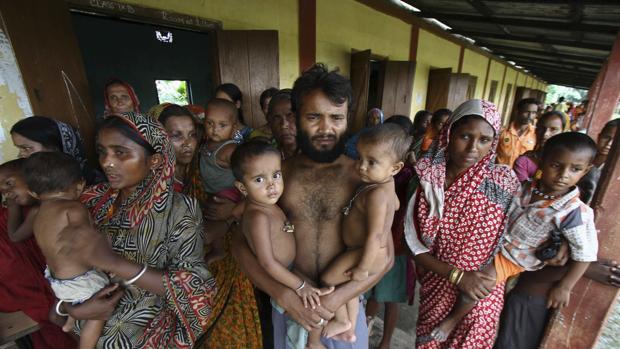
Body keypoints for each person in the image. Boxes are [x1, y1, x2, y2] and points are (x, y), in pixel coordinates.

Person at [232, 64, 394, 349]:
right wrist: (281, 294)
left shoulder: (363, 179)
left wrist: (337, 299)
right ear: (296, 118)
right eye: (313, 117)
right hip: (291, 307)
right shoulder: (277, 178)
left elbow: (387, 254)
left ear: (348, 119)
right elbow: (239, 243)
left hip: (343, 313)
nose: (326, 128)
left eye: (336, 117)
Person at [57, 112, 216, 348]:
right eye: (102, 151)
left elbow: (194, 286)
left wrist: (115, 263)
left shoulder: (179, 209)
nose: (107, 162)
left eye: (120, 152)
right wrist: (70, 307)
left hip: (149, 338)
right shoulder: (91, 201)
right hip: (89, 333)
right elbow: (60, 260)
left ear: (154, 160)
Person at [430, 132, 599, 342]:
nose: (564, 174)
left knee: (483, 280)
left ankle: (451, 321)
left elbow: (586, 254)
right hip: (492, 241)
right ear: (541, 159)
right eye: (556, 165)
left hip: (514, 256)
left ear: (586, 171)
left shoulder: (573, 212)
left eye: (575, 169)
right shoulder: (526, 187)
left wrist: (565, 287)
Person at [404, 99, 520, 348]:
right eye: (465, 136)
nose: (472, 148)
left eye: (484, 140)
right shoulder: (426, 178)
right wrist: (457, 276)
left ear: (494, 142)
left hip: (480, 292)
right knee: (429, 341)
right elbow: (411, 242)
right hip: (438, 281)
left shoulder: (502, 184)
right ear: (449, 133)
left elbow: (522, 233)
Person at [232, 140, 332, 349]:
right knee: (310, 309)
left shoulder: (265, 205)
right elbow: (267, 263)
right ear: (242, 187)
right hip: (279, 276)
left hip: (290, 271)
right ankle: (311, 344)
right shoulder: (258, 216)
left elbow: (236, 213)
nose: (271, 185)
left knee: (319, 298)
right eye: (259, 179)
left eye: (276, 175)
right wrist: (300, 285)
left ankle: (313, 338)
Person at [321, 124, 409, 342]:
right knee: (348, 288)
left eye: (372, 162)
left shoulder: (377, 194)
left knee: (329, 278)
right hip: (363, 250)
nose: (361, 166)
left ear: (395, 168)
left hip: (367, 252)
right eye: (360, 158)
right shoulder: (385, 186)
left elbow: (375, 236)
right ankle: (348, 328)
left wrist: (363, 267)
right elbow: (396, 205)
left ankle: (342, 319)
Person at [23, 152, 108, 349]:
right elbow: (86, 241)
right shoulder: (73, 209)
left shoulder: (38, 213)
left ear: (33, 193)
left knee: (75, 300)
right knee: (97, 317)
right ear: (80, 185)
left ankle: (69, 322)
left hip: (56, 279)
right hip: (81, 280)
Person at [0, 159, 77, 348]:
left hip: (69, 279)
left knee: (67, 323)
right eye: (2, 190)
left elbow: (15, 236)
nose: (6, 192)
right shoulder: (29, 210)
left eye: (9, 183)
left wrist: (12, 207)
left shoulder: (42, 208)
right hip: (56, 281)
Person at [365, 116, 415, 349]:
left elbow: (398, 209)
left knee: (389, 298)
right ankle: (366, 334)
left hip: (394, 246)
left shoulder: (406, 177)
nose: (363, 166)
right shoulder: (378, 177)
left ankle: (384, 341)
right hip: (385, 245)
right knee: (374, 296)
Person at [200, 98, 241, 263]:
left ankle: (218, 249)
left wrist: (241, 199)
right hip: (214, 190)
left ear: (234, 128)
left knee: (212, 217)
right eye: (210, 123)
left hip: (229, 191)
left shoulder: (230, 149)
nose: (214, 129)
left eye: (222, 125)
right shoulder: (206, 144)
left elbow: (245, 174)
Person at [10, 115, 103, 184]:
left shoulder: (94, 185)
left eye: (26, 148)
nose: (20, 155)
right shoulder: (32, 181)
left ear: (54, 148)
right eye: (19, 148)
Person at [153, 104, 199, 192]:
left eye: (192, 135)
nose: (187, 143)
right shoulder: (155, 184)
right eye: (176, 135)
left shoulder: (202, 168)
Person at [513, 111, 565, 182]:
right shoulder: (525, 162)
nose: (545, 134)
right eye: (541, 128)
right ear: (536, 130)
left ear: (563, 132)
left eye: (553, 129)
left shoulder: (570, 161)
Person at [577, 118, 619, 205]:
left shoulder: (615, 171)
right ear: (599, 136)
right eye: (606, 137)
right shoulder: (584, 155)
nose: (609, 144)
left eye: (615, 141)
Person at [496, 98, 538, 166]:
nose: (530, 116)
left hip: (521, 176)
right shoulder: (502, 131)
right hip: (500, 174)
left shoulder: (536, 134)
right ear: (517, 112)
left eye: (533, 113)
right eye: (526, 112)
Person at [267, 89, 298, 159]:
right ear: (270, 121)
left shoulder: (317, 154)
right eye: (277, 118)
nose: (284, 125)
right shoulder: (266, 155)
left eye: (290, 116)